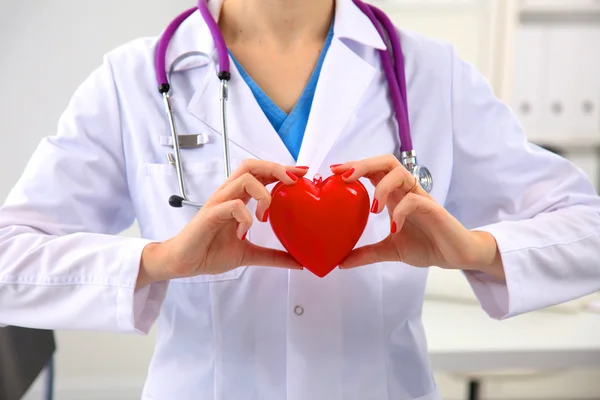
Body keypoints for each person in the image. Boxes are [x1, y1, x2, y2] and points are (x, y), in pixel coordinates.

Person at [1, 0, 599, 399]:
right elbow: (10, 262)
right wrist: (160, 261)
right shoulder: (131, 80)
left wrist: (476, 249)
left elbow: (588, 230)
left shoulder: (427, 73)